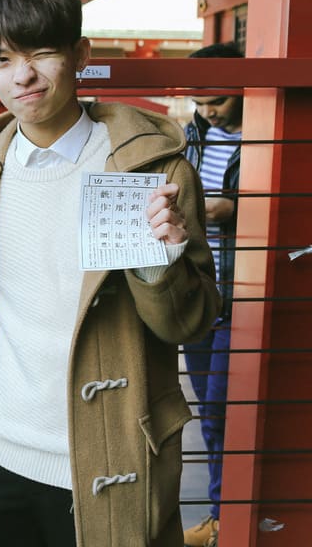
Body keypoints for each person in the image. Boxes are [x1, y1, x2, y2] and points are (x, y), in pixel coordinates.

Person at [0, 0, 221, 547]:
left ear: (80, 55)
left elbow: (191, 323)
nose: (22, 76)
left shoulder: (153, 169)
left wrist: (161, 260)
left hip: (108, 452)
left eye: (41, 53)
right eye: (2, 60)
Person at [181, 42, 243, 547]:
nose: (208, 112)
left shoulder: (268, 135)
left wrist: (234, 208)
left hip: (242, 295)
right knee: (209, 412)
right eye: (199, 103)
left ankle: (230, 516)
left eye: (217, 101)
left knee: (223, 409)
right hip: (198, 292)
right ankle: (222, 515)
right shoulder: (193, 134)